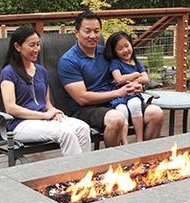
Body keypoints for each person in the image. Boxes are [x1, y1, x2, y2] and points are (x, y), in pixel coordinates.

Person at [58, 11, 164, 146]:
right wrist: (119, 92)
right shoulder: (69, 61)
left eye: (96, 31)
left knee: (156, 113)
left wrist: (135, 85)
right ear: (77, 33)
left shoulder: (107, 53)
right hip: (86, 109)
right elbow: (82, 98)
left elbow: (126, 72)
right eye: (87, 31)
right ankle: (115, 163)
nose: (93, 35)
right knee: (116, 118)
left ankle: (145, 157)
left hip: (116, 101)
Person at [0, 25, 92, 156]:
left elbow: (47, 103)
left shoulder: (41, 71)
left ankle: (85, 171)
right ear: (17, 47)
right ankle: (74, 174)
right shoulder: (8, 73)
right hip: (20, 124)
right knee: (66, 133)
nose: (36, 49)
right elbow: (11, 108)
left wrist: (53, 111)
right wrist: (43, 115)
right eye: (32, 45)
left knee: (82, 128)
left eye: (38, 44)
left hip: (44, 120)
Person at [104, 31, 149, 143]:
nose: (125, 50)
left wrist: (133, 82)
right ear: (114, 51)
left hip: (133, 92)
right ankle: (125, 142)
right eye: (120, 49)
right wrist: (135, 74)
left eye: (127, 46)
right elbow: (119, 80)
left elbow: (146, 79)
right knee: (121, 110)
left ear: (131, 45)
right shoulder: (115, 63)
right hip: (119, 94)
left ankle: (140, 140)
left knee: (135, 104)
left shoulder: (137, 63)